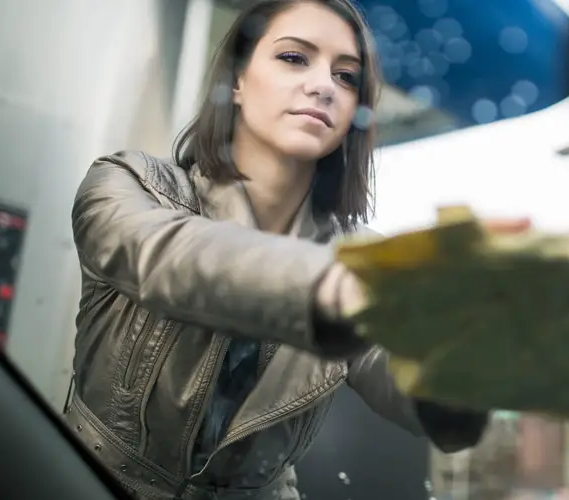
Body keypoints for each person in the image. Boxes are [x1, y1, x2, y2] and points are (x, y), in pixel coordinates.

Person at [63, 1, 517, 498]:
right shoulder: (128, 184)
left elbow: (420, 390)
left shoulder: (360, 261)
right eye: (295, 58)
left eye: (347, 77)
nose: (323, 85)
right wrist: (340, 287)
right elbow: (168, 259)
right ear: (237, 79)